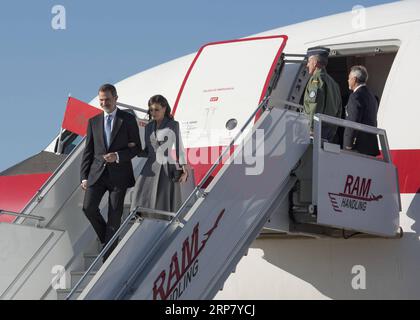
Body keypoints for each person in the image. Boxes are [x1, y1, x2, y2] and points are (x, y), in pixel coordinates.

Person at [80, 83, 141, 261]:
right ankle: (108, 241)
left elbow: (136, 148)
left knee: (114, 213)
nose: (104, 103)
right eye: (101, 100)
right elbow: (88, 151)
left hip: (119, 175)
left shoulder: (127, 120)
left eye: (107, 99)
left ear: (115, 98)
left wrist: (118, 155)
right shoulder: (93, 122)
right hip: (97, 173)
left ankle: (108, 255)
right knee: (88, 208)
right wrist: (83, 177)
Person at [130, 94, 188, 215]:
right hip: (149, 167)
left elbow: (179, 147)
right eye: (151, 110)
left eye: (156, 109)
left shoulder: (173, 124)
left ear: (164, 108)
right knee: (139, 195)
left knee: (162, 202)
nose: (153, 113)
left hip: (166, 167)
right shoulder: (148, 126)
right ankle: (140, 218)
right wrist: (135, 149)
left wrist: (184, 168)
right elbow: (147, 151)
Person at [303, 46, 342, 141]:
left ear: (315, 63)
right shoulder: (334, 83)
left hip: (317, 129)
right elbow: (339, 109)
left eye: (309, 61)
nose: (307, 65)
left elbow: (314, 104)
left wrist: (311, 128)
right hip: (329, 130)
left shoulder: (316, 79)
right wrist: (333, 130)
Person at [343, 65, 380, 156]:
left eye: (349, 78)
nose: (348, 81)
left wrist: (348, 144)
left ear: (354, 79)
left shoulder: (355, 97)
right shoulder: (371, 95)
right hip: (370, 145)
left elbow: (353, 122)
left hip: (359, 147)